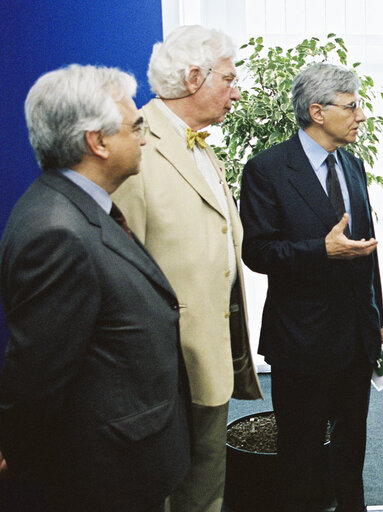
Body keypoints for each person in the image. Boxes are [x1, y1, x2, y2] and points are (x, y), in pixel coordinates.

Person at [0, 64, 190, 511]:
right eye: (136, 126)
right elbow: (37, 371)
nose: (144, 137)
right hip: (107, 474)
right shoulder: (57, 233)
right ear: (97, 142)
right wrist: (19, 451)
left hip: (126, 457)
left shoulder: (77, 207)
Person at [111, 25, 262, 512]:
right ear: (194, 77)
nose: (236, 92)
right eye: (229, 79)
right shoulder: (132, 143)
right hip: (161, 370)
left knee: (206, 485)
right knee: (160, 491)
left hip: (210, 356)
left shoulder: (202, 145)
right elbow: (118, 271)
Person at [239, 62, 383, 512]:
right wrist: (319, 251)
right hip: (300, 339)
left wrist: (377, 317)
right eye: (352, 105)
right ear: (318, 112)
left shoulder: (354, 164)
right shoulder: (266, 169)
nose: (362, 115)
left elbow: (367, 249)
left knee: (351, 446)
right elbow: (258, 252)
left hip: (356, 335)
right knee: (301, 454)